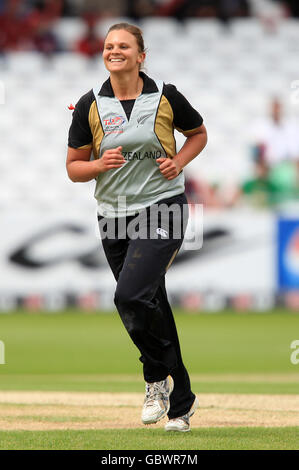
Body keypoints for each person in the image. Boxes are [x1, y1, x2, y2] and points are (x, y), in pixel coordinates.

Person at [66, 22, 207, 432]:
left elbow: (197, 134)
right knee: (151, 302)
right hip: (113, 215)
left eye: (124, 46)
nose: (115, 51)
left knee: (129, 296)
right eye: (109, 46)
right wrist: (97, 164)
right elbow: (74, 167)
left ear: (141, 55)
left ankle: (153, 378)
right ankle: (181, 402)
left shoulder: (166, 95)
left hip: (162, 208)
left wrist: (179, 162)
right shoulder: (90, 103)